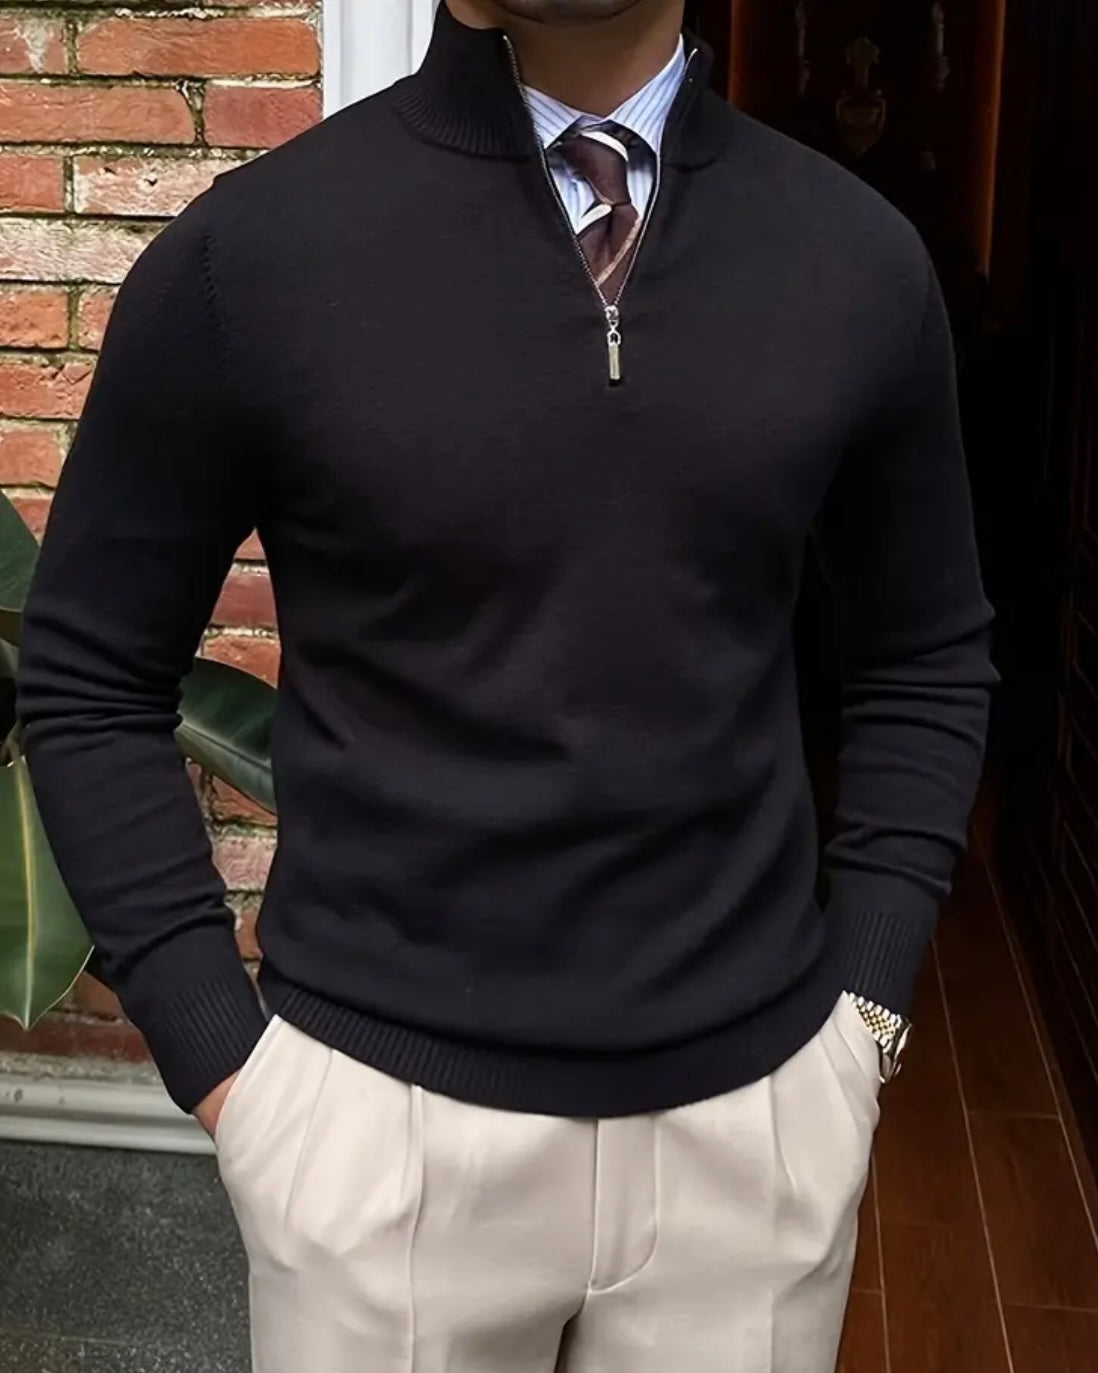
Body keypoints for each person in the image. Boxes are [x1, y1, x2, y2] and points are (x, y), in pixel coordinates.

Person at [15, 1, 997, 1369]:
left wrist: (863, 1013)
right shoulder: (254, 257)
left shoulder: (853, 258)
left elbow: (924, 652)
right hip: (375, 1142)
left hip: (757, 1131)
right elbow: (88, 670)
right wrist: (229, 1065)